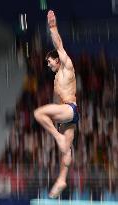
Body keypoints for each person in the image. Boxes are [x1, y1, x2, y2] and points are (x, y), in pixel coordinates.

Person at [34, 10, 79, 198]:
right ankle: (62, 179)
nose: (48, 64)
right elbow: (55, 102)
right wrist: (57, 122)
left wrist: (53, 27)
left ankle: (57, 137)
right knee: (66, 149)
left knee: (38, 114)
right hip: (67, 114)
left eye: (49, 61)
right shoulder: (55, 81)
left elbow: (58, 44)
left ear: (57, 59)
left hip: (70, 109)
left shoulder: (67, 65)